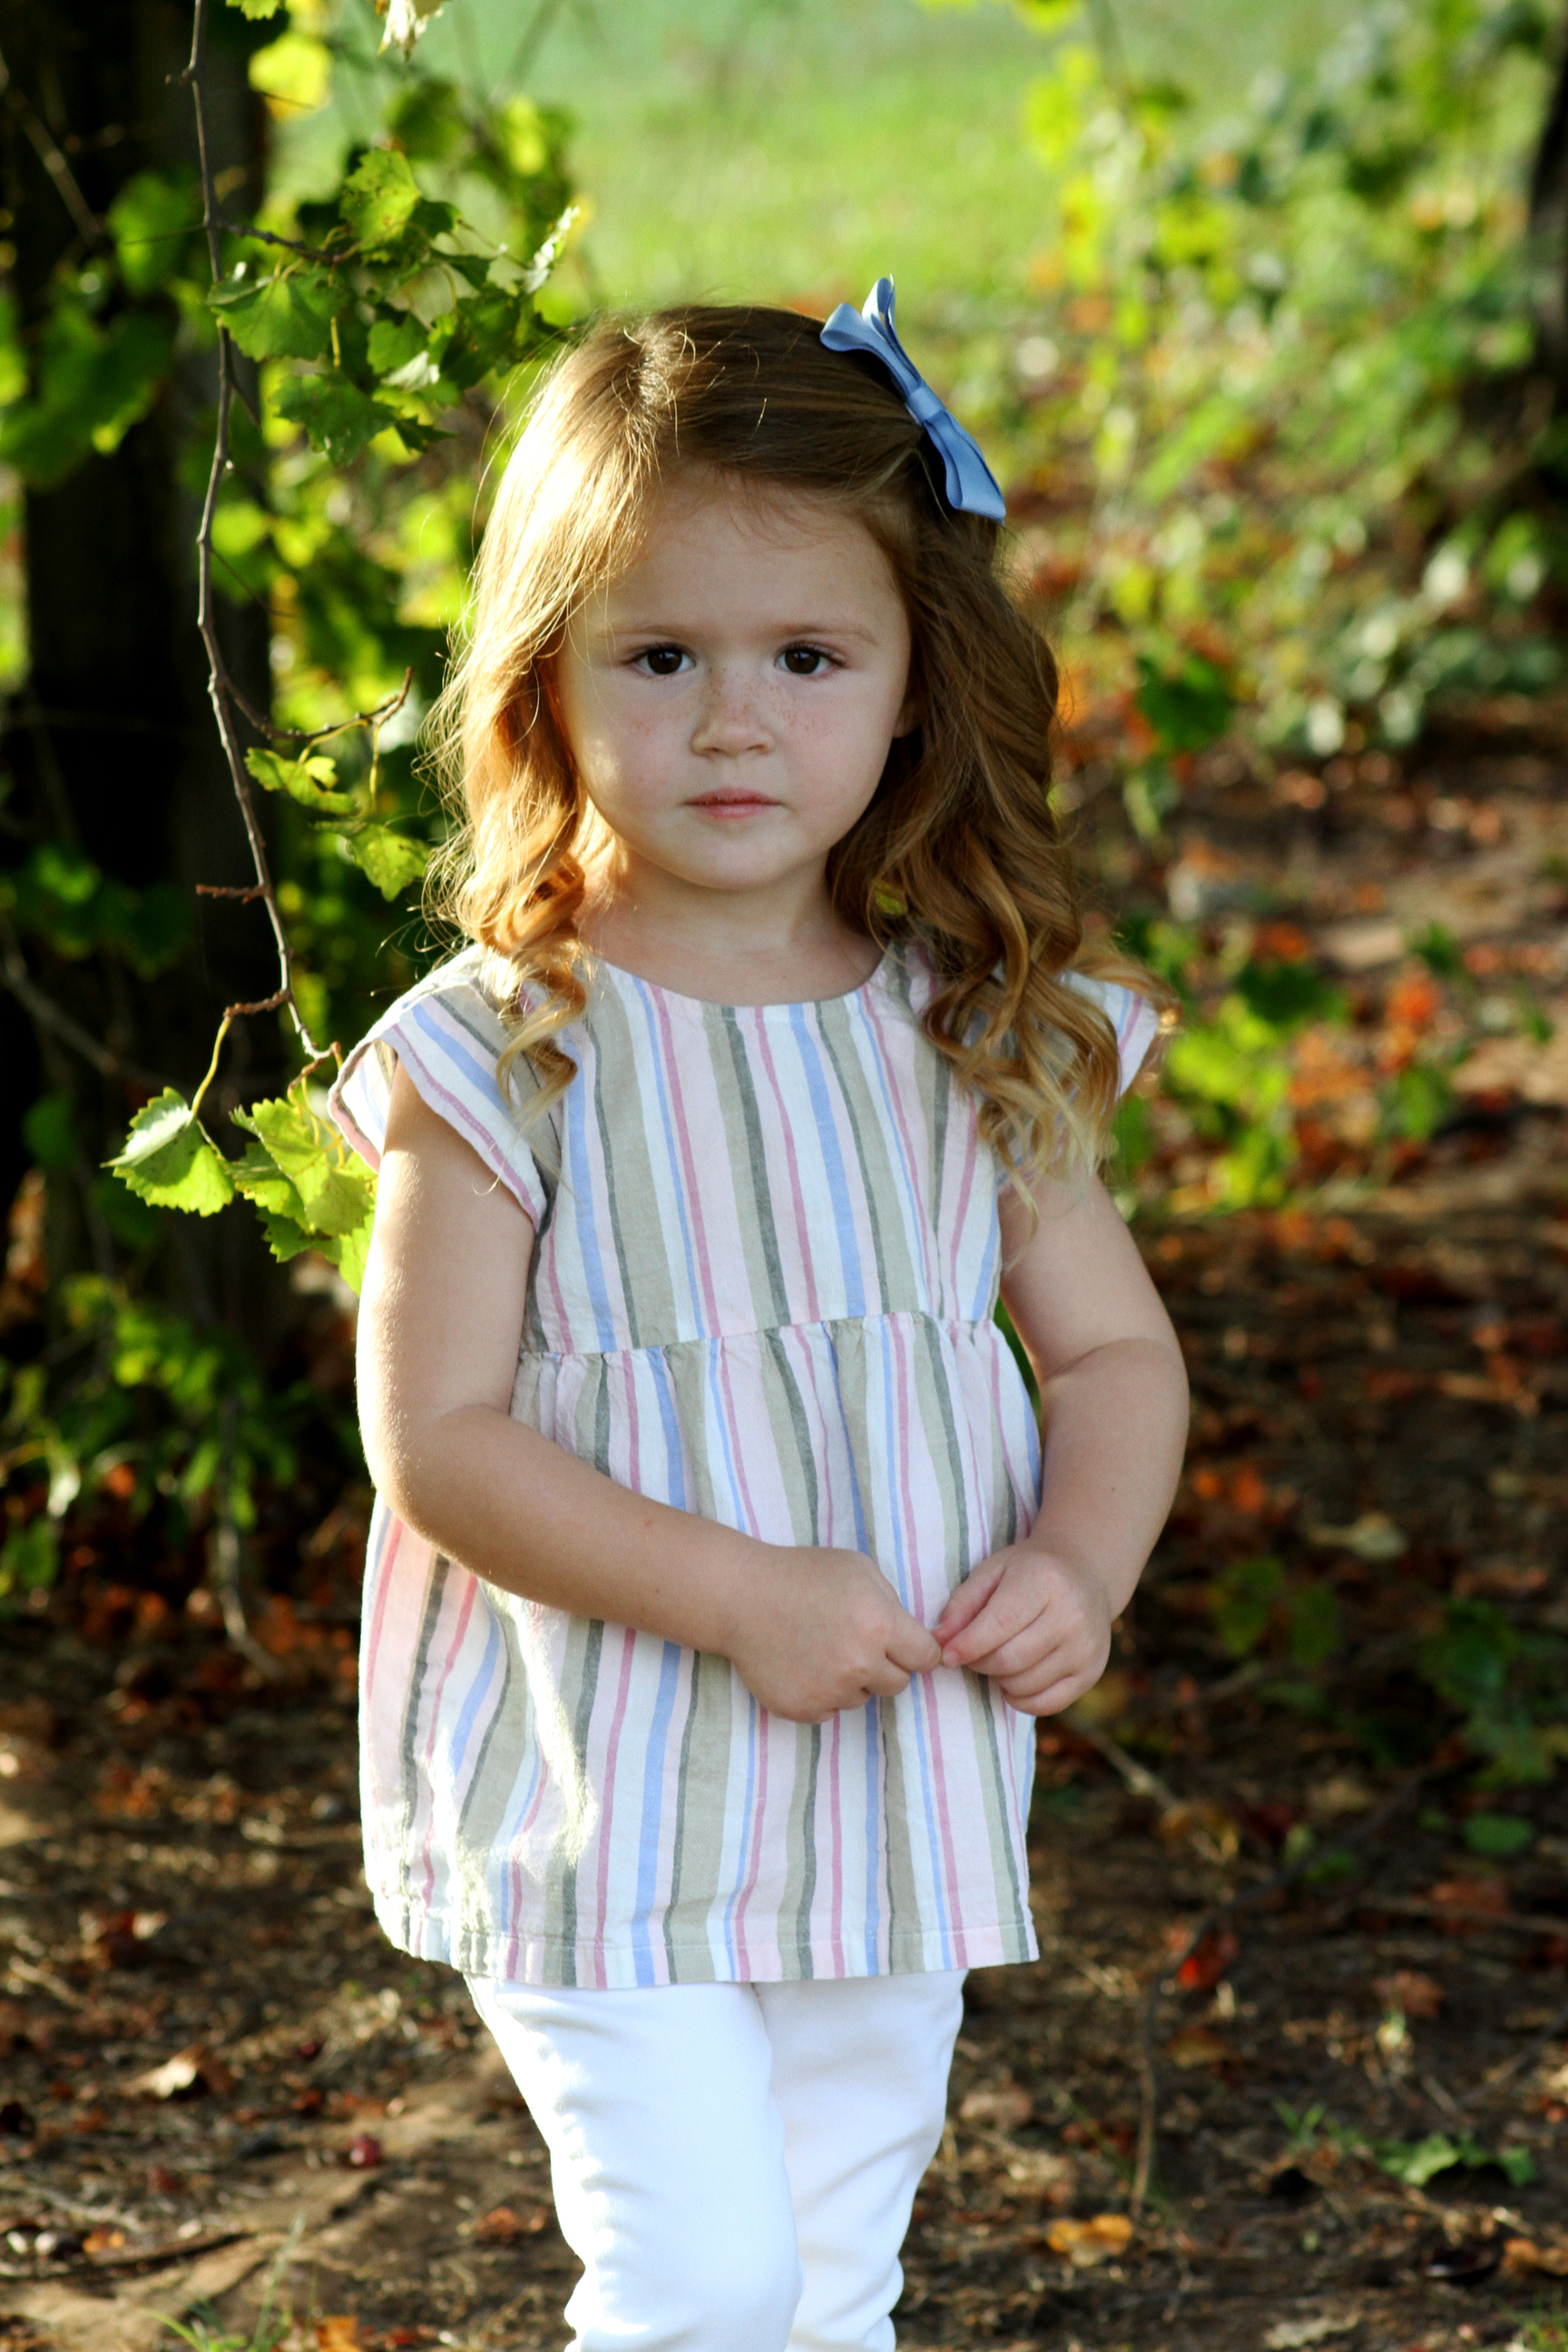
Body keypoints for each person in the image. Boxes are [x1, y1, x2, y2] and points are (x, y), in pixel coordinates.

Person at [330, 279, 1190, 2352]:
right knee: (698, 2280)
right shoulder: (503, 1053)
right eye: (661, 657)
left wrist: (1081, 1560)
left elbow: (1114, 1356)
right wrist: (734, 1594)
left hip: (893, 1762)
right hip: (611, 1778)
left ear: (911, 685)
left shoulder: (973, 1034)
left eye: (806, 655)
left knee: (821, 2277)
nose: (736, 718)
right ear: (546, 689)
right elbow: (438, 1442)